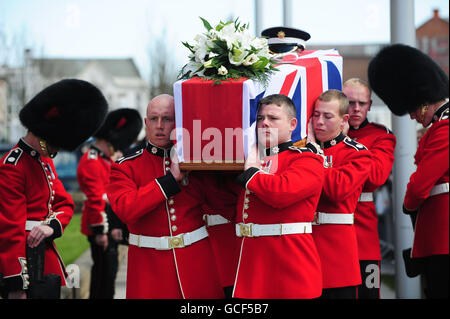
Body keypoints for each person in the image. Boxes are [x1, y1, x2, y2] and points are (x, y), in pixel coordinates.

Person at [106, 94, 225, 299]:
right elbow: (127, 209)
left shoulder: (198, 163)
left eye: (167, 119)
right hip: (148, 269)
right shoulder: (125, 166)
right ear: (146, 123)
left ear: (180, 123)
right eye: (154, 119)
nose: (160, 125)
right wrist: (170, 181)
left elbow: (226, 203)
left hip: (196, 264)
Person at [0, 79, 108, 299]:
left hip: (46, 259)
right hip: (25, 266)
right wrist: (16, 283)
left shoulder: (45, 162)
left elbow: (65, 203)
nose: (58, 149)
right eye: (57, 143)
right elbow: (10, 232)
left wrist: (51, 226)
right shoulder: (12, 166)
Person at [369, 44, 449, 298]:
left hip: (443, 238)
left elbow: (419, 186)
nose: (413, 117)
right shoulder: (439, 128)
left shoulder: (444, 130)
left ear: (422, 101)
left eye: (412, 110)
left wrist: (409, 202)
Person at [232, 94, 325, 299]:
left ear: (292, 124)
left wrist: (251, 174)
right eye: (260, 118)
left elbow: (281, 193)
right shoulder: (251, 159)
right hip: (251, 267)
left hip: (289, 269)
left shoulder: (308, 159)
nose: (264, 122)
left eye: (273, 118)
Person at [308, 89, 372, 299]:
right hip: (303, 249)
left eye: (327, 116)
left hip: (337, 255)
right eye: (316, 115)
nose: (319, 121)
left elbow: (337, 189)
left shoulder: (358, 153)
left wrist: (313, 156)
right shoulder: (300, 150)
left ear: (344, 120)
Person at [77, 108, 142, 299]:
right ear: (106, 142)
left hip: (107, 222)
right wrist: (100, 231)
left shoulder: (103, 159)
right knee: (103, 275)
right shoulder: (91, 161)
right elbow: (96, 198)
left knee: (109, 274)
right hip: (99, 225)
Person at [343, 78, 396, 299]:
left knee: (368, 294)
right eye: (350, 102)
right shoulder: (322, 134)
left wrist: (343, 142)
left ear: (370, 105)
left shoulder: (381, 136)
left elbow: (375, 178)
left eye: (361, 103)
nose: (356, 109)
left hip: (363, 232)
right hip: (327, 234)